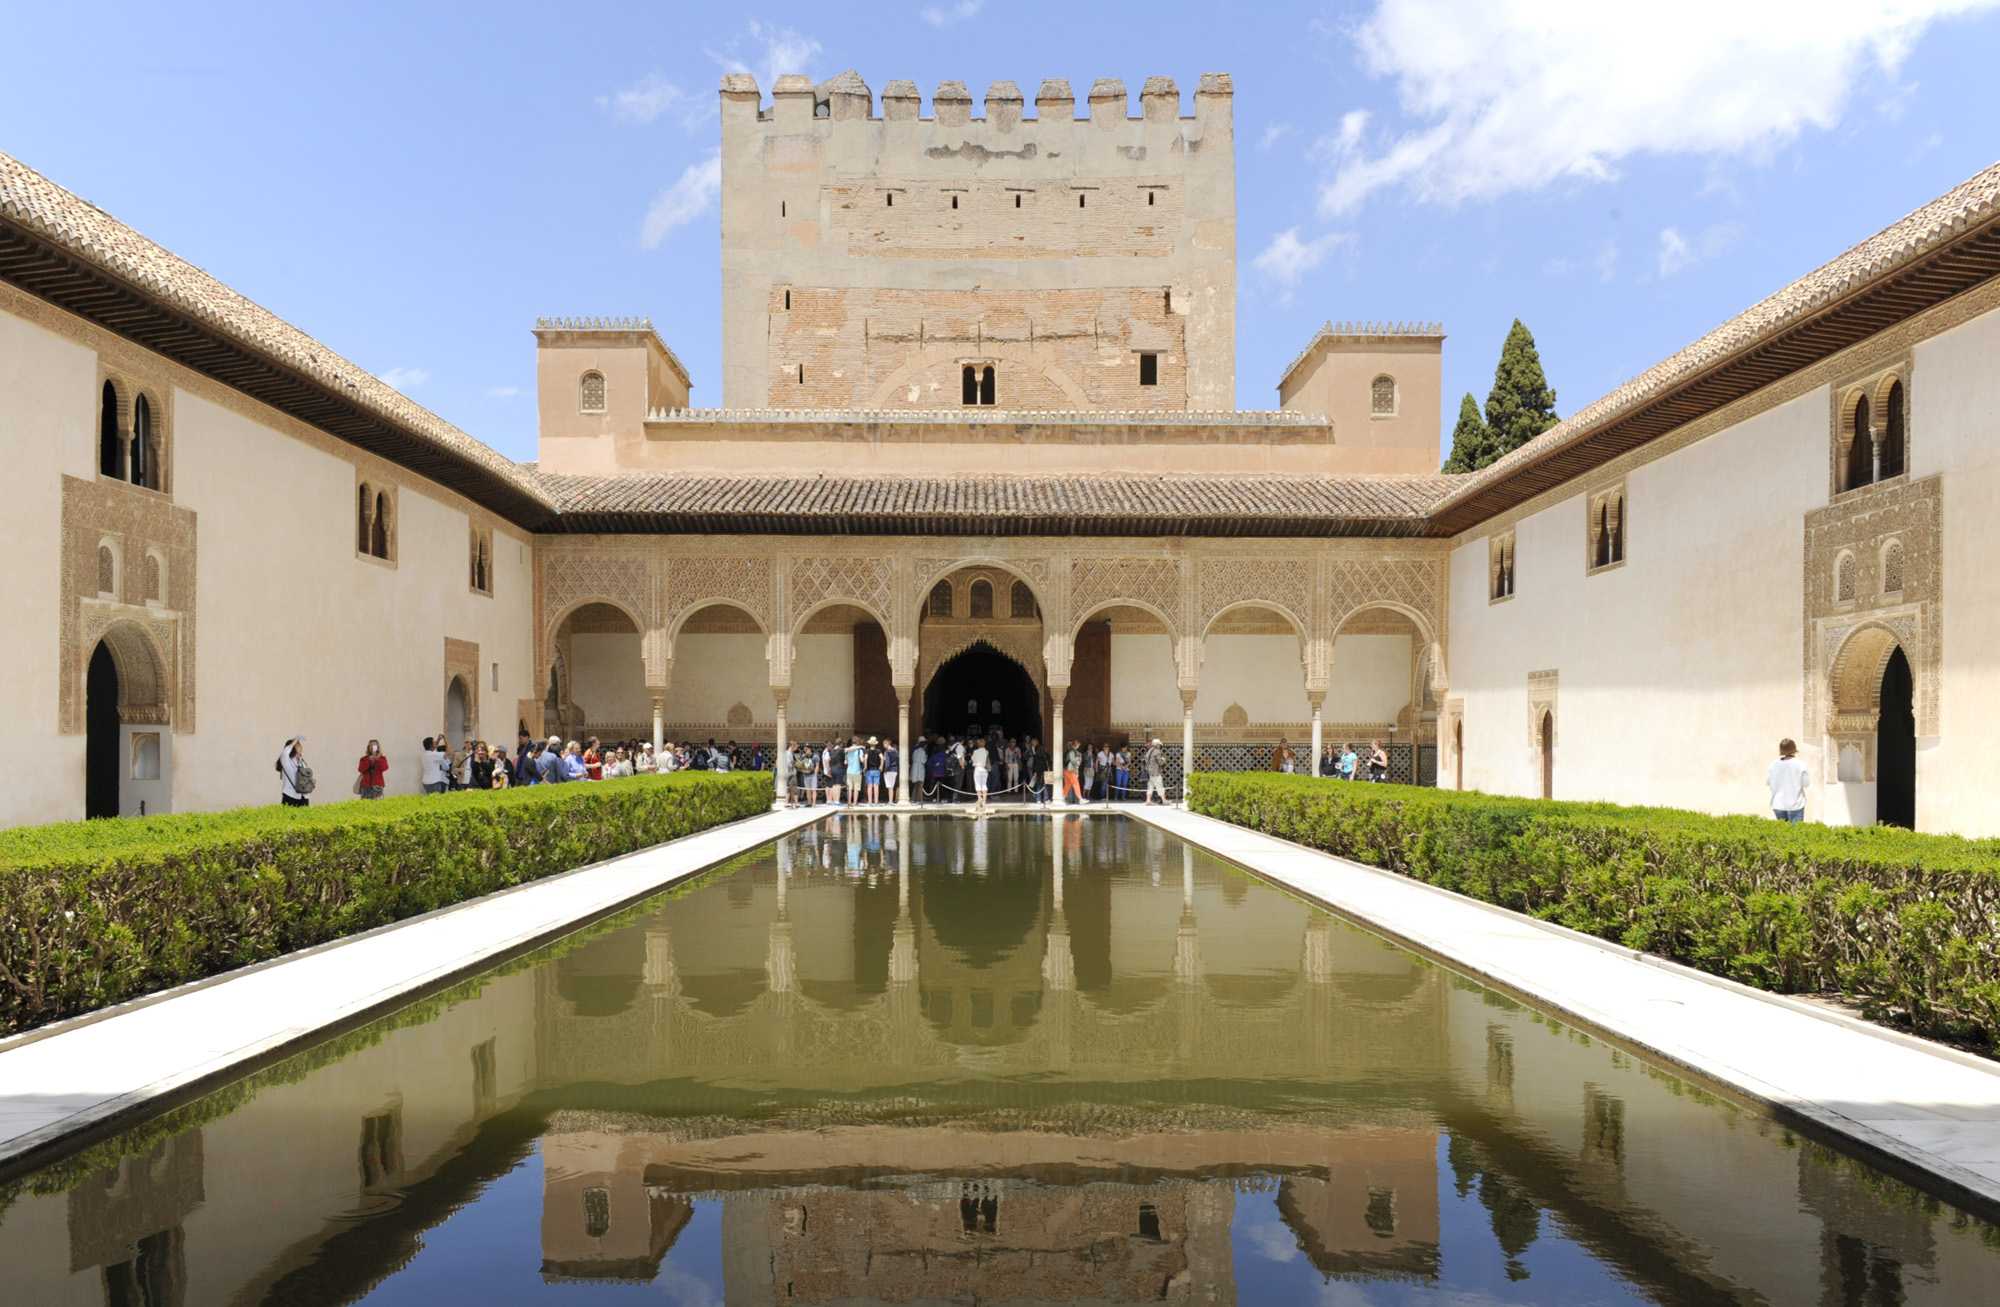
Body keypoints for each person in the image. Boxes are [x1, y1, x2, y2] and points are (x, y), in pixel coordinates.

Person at [1767, 738, 1810, 821]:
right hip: (1796, 804)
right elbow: (1806, 784)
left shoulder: (1774, 764)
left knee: (1782, 828)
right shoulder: (1801, 764)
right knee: (1796, 829)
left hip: (1778, 803)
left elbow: (1768, 782)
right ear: (1794, 748)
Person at [277, 735, 311, 807]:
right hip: (290, 795)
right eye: (298, 745)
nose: (301, 747)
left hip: (304, 796)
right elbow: (284, 753)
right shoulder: (287, 761)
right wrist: (294, 742)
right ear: (292, 747)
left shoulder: (302, 762)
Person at [1144, 737, 1167, 805]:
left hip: (1150, 771)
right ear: (1157, 745)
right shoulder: (1157, 751)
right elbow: (1160, 762)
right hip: (1155, 771)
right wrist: (1163, 760)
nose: (1159, 746)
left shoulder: (1149, 750)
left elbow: (1146, 759)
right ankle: (1164, 800)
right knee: (1159, 785)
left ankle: (1148, 800)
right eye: (1159, 744)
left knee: (1150, 786)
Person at [971, 738, 990, 811]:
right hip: (984, 768)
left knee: (978, 784)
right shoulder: (986, 751)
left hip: (977, 769)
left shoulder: (975, 751)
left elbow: (972, 759)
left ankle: (979, 799)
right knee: (984, 784)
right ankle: (984, 800)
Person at [864, 737, 884, 805]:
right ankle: (876, 801)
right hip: (876, 770)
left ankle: (869, 801)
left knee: (869, 786)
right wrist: (881, 766)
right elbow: (882, 758)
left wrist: (865, 766)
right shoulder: (878, 751)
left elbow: (865, 758)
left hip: (869, 770)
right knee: (876, 786)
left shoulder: (867, 751)